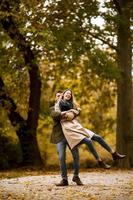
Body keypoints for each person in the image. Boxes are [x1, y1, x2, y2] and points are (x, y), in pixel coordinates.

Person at [55, 89, 126, 169]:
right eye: (67, 93)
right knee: (88, 141)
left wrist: (75, 111)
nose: (68, 95)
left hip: (75, 124)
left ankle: (114, 154)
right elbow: (58, 114)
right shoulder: (59, 103)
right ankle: (99, 161)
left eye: (70, 94)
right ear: (63, 94)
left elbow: (77, 112)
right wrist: (70, 112)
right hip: (68, 127)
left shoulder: (71, 103)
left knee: (97, 137)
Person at [50, 91, 83, 186]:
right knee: (61, 157)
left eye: (61, 95)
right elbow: (56, 116)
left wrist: (76, 111)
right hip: (60, 137)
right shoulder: (53, 109)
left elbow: (77, 112)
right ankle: (64, 179)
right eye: (58, 96)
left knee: (76, 156)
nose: (60, 97)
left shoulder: (70, 107)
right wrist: (68, 113)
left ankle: (76, 176)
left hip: (71, 135)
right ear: (56, 98)